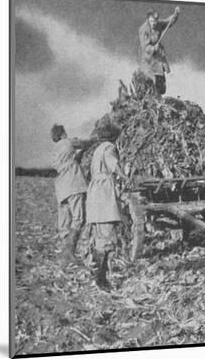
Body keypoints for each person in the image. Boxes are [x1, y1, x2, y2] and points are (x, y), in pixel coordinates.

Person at [86, 122, 129, 291]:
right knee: (108, 235)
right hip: (104, 191)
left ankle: (97, 273)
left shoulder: (97, 150)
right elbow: (114, 166)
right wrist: (125, 178)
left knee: (100, 235)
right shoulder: (110, 148)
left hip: (95, 190)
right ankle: (101, 278)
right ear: (114, 136)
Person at [50, 124, 93, 266]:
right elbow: (84, 143)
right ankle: (70, 253)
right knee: (78, 218)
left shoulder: (55, 150)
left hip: (61, 187)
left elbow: (67, 160)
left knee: (64, 222)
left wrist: (76, 156)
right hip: (73, 184)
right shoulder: (68, 142)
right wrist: (96, 140)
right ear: (63, 133)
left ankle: (64, 255)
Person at [138, 7, 181, 95]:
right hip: (148, 59)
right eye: (151, 21)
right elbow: (144, 47)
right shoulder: (143, 30)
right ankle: (150, 97)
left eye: (155, 21)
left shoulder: (158, 24)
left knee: (161, 85)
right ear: (148, 20)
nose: (154, 23)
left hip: (158, 57)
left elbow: (169, 22)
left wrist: (175, 14)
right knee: (150, 81)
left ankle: (158, 95)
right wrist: (153, 48)